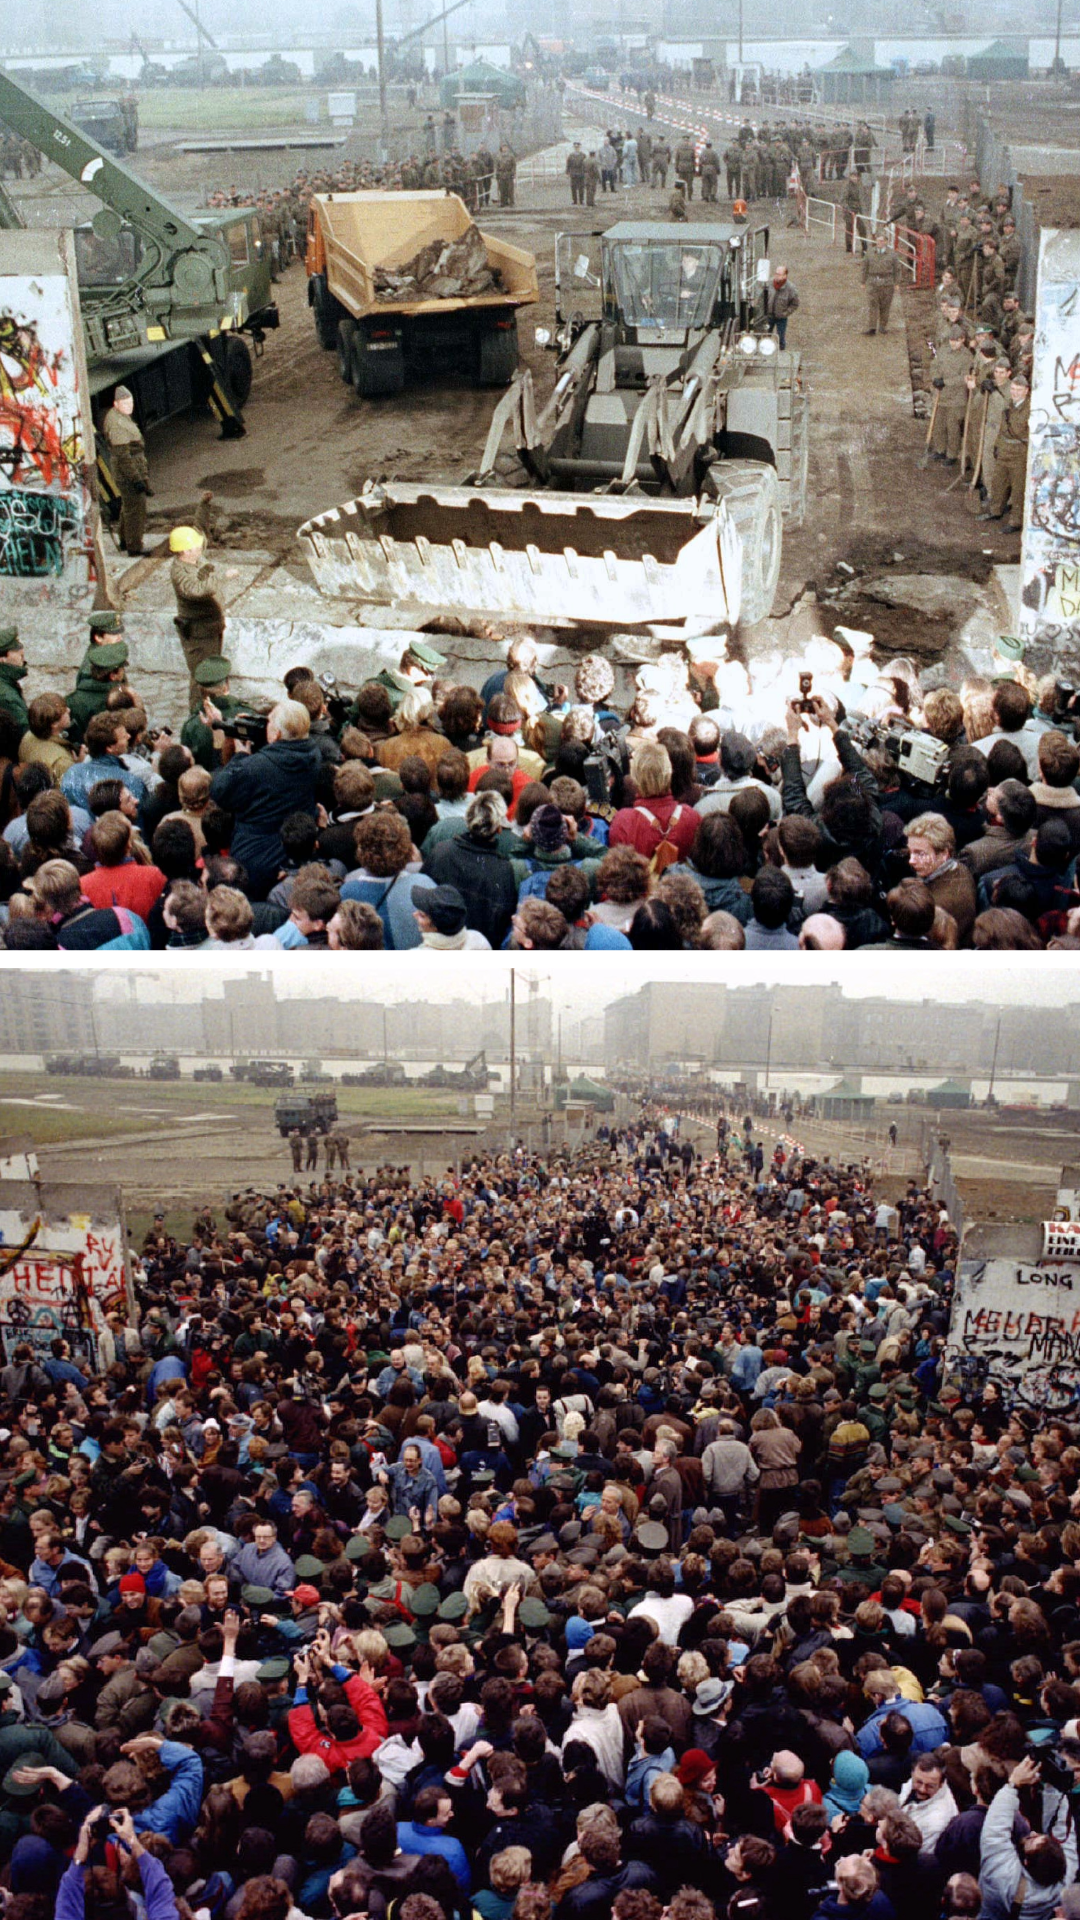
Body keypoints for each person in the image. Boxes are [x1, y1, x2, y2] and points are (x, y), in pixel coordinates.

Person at [169, 526, 228, 703]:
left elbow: (200, 527)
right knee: (201, 676)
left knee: (214, 672)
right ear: (186, 551)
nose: (201, 548)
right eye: (196, 546)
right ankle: (198, 713)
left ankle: (214, 705)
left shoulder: (195, 560)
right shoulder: (179, 573)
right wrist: (222, 577)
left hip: (211, 627)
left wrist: (204, 505)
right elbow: (197, 590)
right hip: (199, 633)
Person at [101, 385, 152, 557]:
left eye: (131, 403)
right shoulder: (117, 424)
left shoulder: (120, 416)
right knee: (136, 509)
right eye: (125, 403)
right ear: (116, 404)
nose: (130, 406)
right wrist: (137, 479)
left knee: (128, 506)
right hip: (127, 473)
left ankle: (125, 540)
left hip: (130, 470)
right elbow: (124, 457)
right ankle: (134, 546)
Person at [862, 230, 904, 335]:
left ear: (886, 242)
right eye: (877, 241)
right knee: (872, 304)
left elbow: (897, 270)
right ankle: (872, 328)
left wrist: (897, 283)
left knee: (885, 306)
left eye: (881, 241)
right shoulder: (870, 252)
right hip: (873, 282)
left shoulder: (892, 254)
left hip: (887, 283)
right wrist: (863, 281)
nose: (879, 243)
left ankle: (882, 326)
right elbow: (864, 268)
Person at [765, 266, 799, 350]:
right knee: (765, 336)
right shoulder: (768, 283)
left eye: (779, 274)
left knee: (781, 337)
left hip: (781, 318)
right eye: (776, 273)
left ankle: (782, 353)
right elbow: (762, 297)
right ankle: (765, 352)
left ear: (785, 276)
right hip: (768, 316)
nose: (776, 276)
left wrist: (786, 313)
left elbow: (795, 304)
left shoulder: (791, 289)